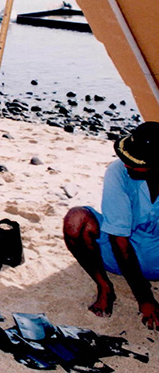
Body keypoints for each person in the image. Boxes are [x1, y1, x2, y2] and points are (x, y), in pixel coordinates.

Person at [63, 122, 159, 330]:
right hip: (118, 254)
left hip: (156, 257)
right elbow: (118, 239)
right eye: (126, 159)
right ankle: (104, 287)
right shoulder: (118, 171)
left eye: (136, 163)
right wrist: (144, 298)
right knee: (76, 220)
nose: (127, 165)